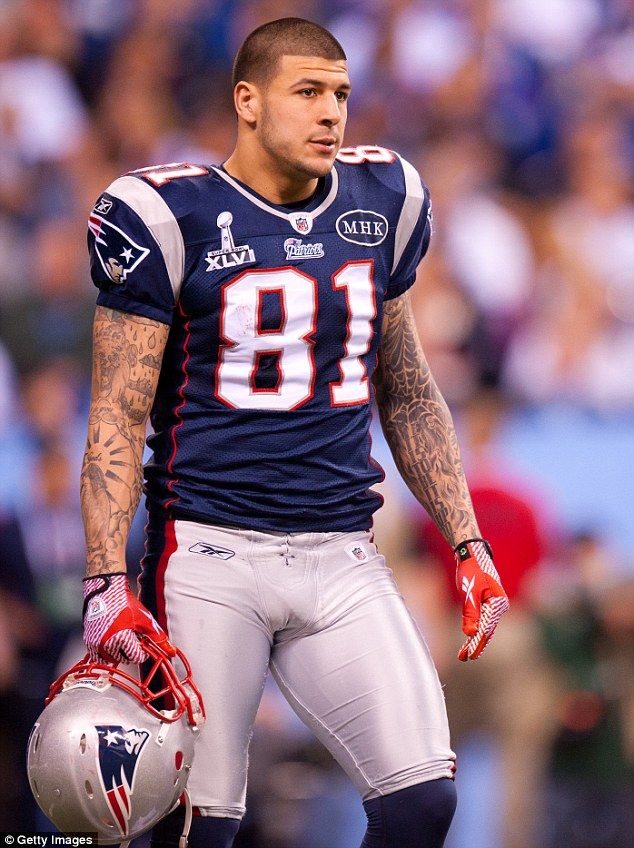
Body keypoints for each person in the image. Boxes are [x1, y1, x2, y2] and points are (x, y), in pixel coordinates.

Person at [80, 18, 509, 848]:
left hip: (341, 553)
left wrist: (466, 541)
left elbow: (410, 388)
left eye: (342, 94)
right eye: (307, 92)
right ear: (246, 101)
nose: (332, 114)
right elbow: (117, 415)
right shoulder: (167, 214)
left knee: (422, 802)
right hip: (207, 557)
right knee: (195, 829)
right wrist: (105, 584)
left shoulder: (383, 199)